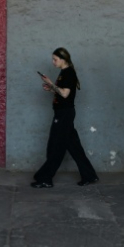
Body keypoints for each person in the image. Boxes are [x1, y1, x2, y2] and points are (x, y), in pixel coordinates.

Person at [32, 47, 99, 188]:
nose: (53, 62)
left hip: (64, 115)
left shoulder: (69, 73)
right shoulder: (64, 73)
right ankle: (90, 175)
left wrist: (51, 84)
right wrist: (51, 89)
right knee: (74, 147)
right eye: (53, 59)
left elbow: (65, 94)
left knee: (55, 146)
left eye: (55, 59)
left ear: (63, 59)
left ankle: (45, 178)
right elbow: (62, 92)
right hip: (64, 113)